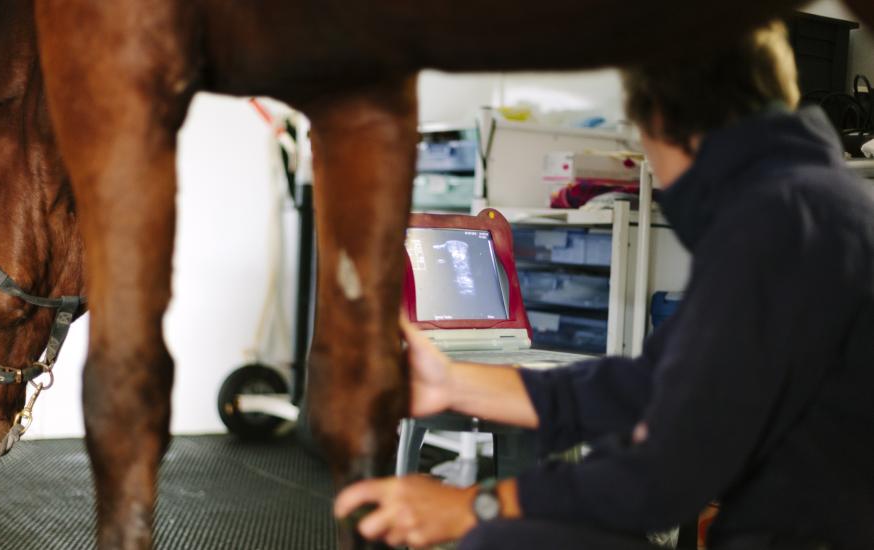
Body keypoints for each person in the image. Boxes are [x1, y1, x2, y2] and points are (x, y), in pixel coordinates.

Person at [334, 21, 874, 550]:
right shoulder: (814, 204)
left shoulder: (775, 222)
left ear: (660, 118)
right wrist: (454, 382)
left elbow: (662, 477)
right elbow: (654, 386)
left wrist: (471, 507)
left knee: (500, 540)